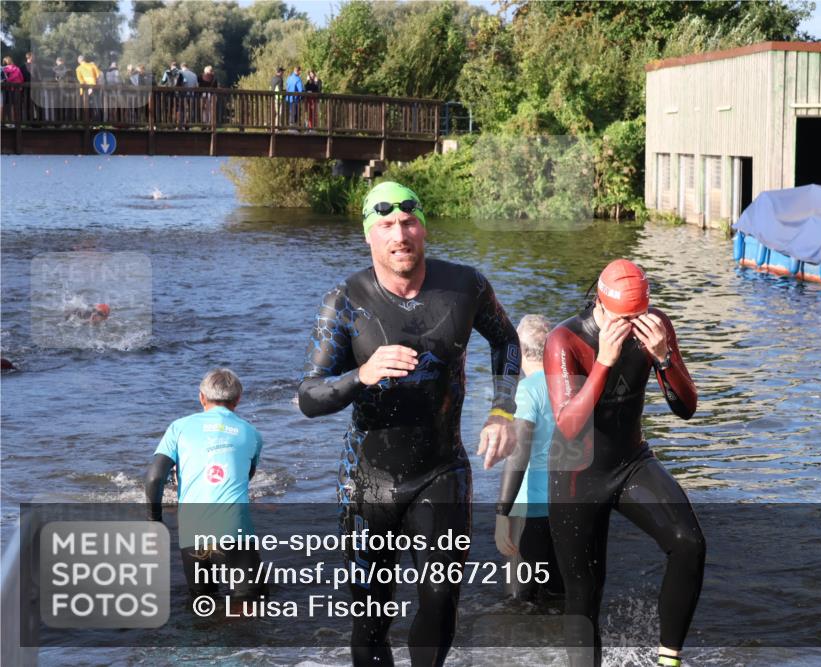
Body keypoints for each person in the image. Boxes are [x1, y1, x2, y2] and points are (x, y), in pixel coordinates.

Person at [297, 181, 521, 666]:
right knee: (370, 616)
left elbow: (506, 340)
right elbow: (309, 397)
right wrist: (362, 374)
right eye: (386, 225)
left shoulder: (465, 286)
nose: (400, 235)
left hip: (442, 471)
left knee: (441, 600)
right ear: (369, 235)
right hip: (367, 481)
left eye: (408, 222)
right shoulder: (345, 300)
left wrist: (503, 410)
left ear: (423, 227)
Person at [543, 259, 704, 667]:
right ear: (600, 305)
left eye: (638, 317)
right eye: (622, 319)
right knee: (584, 592)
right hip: (575, 474)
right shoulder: (565, 340)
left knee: (689, 543)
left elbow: (686, 408)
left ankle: (668, 660)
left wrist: (664, 357)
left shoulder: (655, 327)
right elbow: (569, 425)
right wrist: (604, 361)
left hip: (631, 462)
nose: (632, 327)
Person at [144, 368, 266, 603]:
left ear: (201, 397)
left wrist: (154, 522)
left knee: (203, 606)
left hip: (192, 532)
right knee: (253, 604)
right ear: (238, 399)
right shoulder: (252, 433)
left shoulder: (178, 427)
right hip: (234, 531)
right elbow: (246, 476)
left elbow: (154, 478)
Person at [495, 314, 564, 602]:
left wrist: (502, 514)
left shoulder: (525, 391)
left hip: (528, 509)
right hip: (567, 506)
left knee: (518, 600)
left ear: (520, 351)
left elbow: (518, 455)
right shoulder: (571, 386)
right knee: (560, 594)